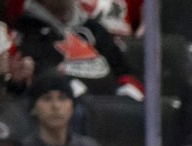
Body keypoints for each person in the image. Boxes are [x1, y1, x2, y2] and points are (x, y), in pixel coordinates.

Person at [13, 0, 142, 98]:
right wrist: (66, 89)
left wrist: (128, 86)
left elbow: (123, 68)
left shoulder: (92, 27)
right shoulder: (28, 30)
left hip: (109, 105)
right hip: (69, 106)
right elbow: (39, 74)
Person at [17, 70, 122, 146]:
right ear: (33, 108)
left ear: (72, 107)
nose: (56, 106)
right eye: (47, 98)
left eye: (62, 98)